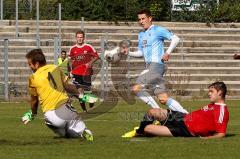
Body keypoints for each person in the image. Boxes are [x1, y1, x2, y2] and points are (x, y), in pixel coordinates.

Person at [22, 48, 97, 141]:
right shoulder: (55, 68)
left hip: (51, 115)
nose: (30, 67)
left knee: (64, 132)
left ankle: (67, 133)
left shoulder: (33, 78)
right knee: (78, 128)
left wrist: (32, 114)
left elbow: (34, 100)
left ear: (36, 64)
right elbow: (67, 86)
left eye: (30, 64)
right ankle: (83, 132)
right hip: (67, 109)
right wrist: (81, 96)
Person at [122, 9, 187, 114]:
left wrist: (168, 52)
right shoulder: (141, 35)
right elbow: (141, 53)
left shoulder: (158, 30)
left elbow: (176, 39)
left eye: (143, 19)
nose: (141, 21)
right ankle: (187, 116)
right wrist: (128, 52)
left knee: (136, 88)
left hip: (156, 66)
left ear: (150, 18)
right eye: (139, 19)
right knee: (163, 98)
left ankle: (159, 113)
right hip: (150, 67)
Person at [122, 81, 229, 139]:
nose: (209, 93)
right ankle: (139, 133)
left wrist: (207, 139)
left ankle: (146, 130)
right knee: (152, 112)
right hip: (183, 117)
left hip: (186, 130)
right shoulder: (213, 104)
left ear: (220, 93)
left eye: (211, 91)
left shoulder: (222, 111)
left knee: (148, 129)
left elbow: (221, 133)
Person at [68, 30, 99, 112]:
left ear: (84, 38)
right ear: (76, 38)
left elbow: (96, 56)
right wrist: (71, 71)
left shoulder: (88, 47)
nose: (80, 39)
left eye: (81, 37)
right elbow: (70, 60)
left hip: (86, 73)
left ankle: (91, 104)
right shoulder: (72, 49)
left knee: (88, 91)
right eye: (78, 37)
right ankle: (84, 110)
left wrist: (90, 62)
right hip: (76, 74)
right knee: (80, 93)